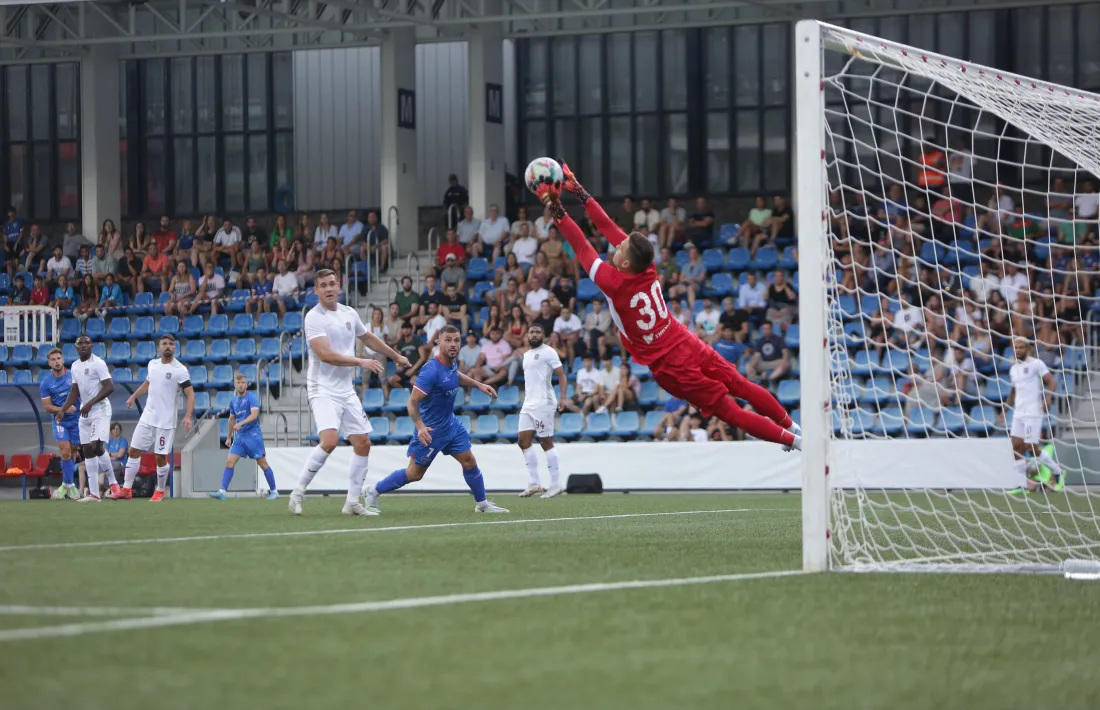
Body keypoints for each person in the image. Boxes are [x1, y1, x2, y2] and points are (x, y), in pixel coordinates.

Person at [543, 162, 800, 451]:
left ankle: (796, 442)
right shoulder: (647, 264)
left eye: (620, 249)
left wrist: (556, 209)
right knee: (739, 384)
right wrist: (577, 190)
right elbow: (605, 225)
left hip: (670, 365)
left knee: (731, 413)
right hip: (685, 340)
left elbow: (581, 245)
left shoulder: (612, 282)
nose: (617, 246)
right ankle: (790, 425)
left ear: (625, 262)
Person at [289, 269, 411, 516]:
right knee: (330, 440)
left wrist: (395, 355)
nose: (329, 288)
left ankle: (352, 502)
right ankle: (298, 492)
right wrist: (360, 362)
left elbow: (369, 339)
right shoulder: (314, 317)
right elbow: (325, 355)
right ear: (316, 290)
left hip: (345, 389)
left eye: (332, 283)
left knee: (363, 443)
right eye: (323, 285)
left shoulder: (349, 313)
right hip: (321, 388)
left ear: (339, 286)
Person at [363, 326, 509, 514]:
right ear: (438, 342)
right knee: (414, 474)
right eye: (448, 340)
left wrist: (478, 384)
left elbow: (454, 375)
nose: (453, 344)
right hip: (431, 431)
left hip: (451, 425)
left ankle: (482, 505)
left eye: (456, 340)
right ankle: (372, 491)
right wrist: (420, 427)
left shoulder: (451, 363)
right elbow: (412, 401)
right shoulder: (431, 371)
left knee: (469, 461)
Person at [109, 334, 195, 501]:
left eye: (171, 344)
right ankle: (126, 489)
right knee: (133, 451)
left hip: (166, 421)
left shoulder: (180, 370)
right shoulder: (152, 365)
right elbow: (148, 383)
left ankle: (160, 490)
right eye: (164, 344)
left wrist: (189, 415)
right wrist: (133, 396)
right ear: (159, 347)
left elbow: (190, 394)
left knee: (159, 456)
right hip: (148, 417)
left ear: (175, 347)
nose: (167, 346)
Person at [57, 335, 118, 502]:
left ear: (91, 346)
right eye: (80, 344)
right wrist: (62, 410)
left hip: (100, 409)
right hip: (85, 413)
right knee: (87, 451)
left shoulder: (98, 363)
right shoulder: (75, 366)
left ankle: (114, 483)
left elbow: (109, 387)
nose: (83, 346)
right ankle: (94, 494)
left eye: (86, 343)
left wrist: (90, 403)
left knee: (97, 446)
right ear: (76, 348)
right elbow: (74, 392)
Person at [516, 324, 568, 499]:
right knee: (523, 441)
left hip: (544, 403)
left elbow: (561, 375)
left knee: (546, 442)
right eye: (531, 331)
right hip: (528, 403)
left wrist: (562, 397)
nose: (534, 334)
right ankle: (535, 483)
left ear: (543, 335)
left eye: (538, 332)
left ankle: (556, 484)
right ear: (527, 335)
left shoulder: (549, 352)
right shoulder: (526, 355)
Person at [210, 373, 279, 501]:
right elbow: (231, 419)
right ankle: (222, 491)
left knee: (262, 463)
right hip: (240, 437)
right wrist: (229, 437)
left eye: (243, 383)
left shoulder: (251, 397)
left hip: (253, 435)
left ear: (246, 385)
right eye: (238, 382)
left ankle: (274, 491)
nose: (241, 385)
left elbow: (254, 415)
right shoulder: (234, 401)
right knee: (229, 462)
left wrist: (240, 423)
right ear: (235, 384)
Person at [1007, 337, 1063, 493]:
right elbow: (1013, 390)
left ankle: (1057, 471)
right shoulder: (1013, 369)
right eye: (1016, 347)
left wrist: (1048, 398)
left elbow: (1052, 382)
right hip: (1018, 413)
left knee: (1031, 448)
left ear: (1028, 348)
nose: (1018, 350)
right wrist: (1004, 410)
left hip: (1033, 412)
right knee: (1016, 447)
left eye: (1021, 347)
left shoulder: (1036, 364)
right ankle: (1021, 484)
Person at [40, 348, 81, 500]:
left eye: (58, 359)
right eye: (53, 360)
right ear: (49, 363)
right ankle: (70, 486)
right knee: (65, 451)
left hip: (76, 420)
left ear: (63, 360)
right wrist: (63, 409)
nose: (56, 362)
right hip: (60, 420)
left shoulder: (73, 376)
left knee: (72, 451)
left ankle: (66, 484)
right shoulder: (46, 383)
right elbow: (47, 407)